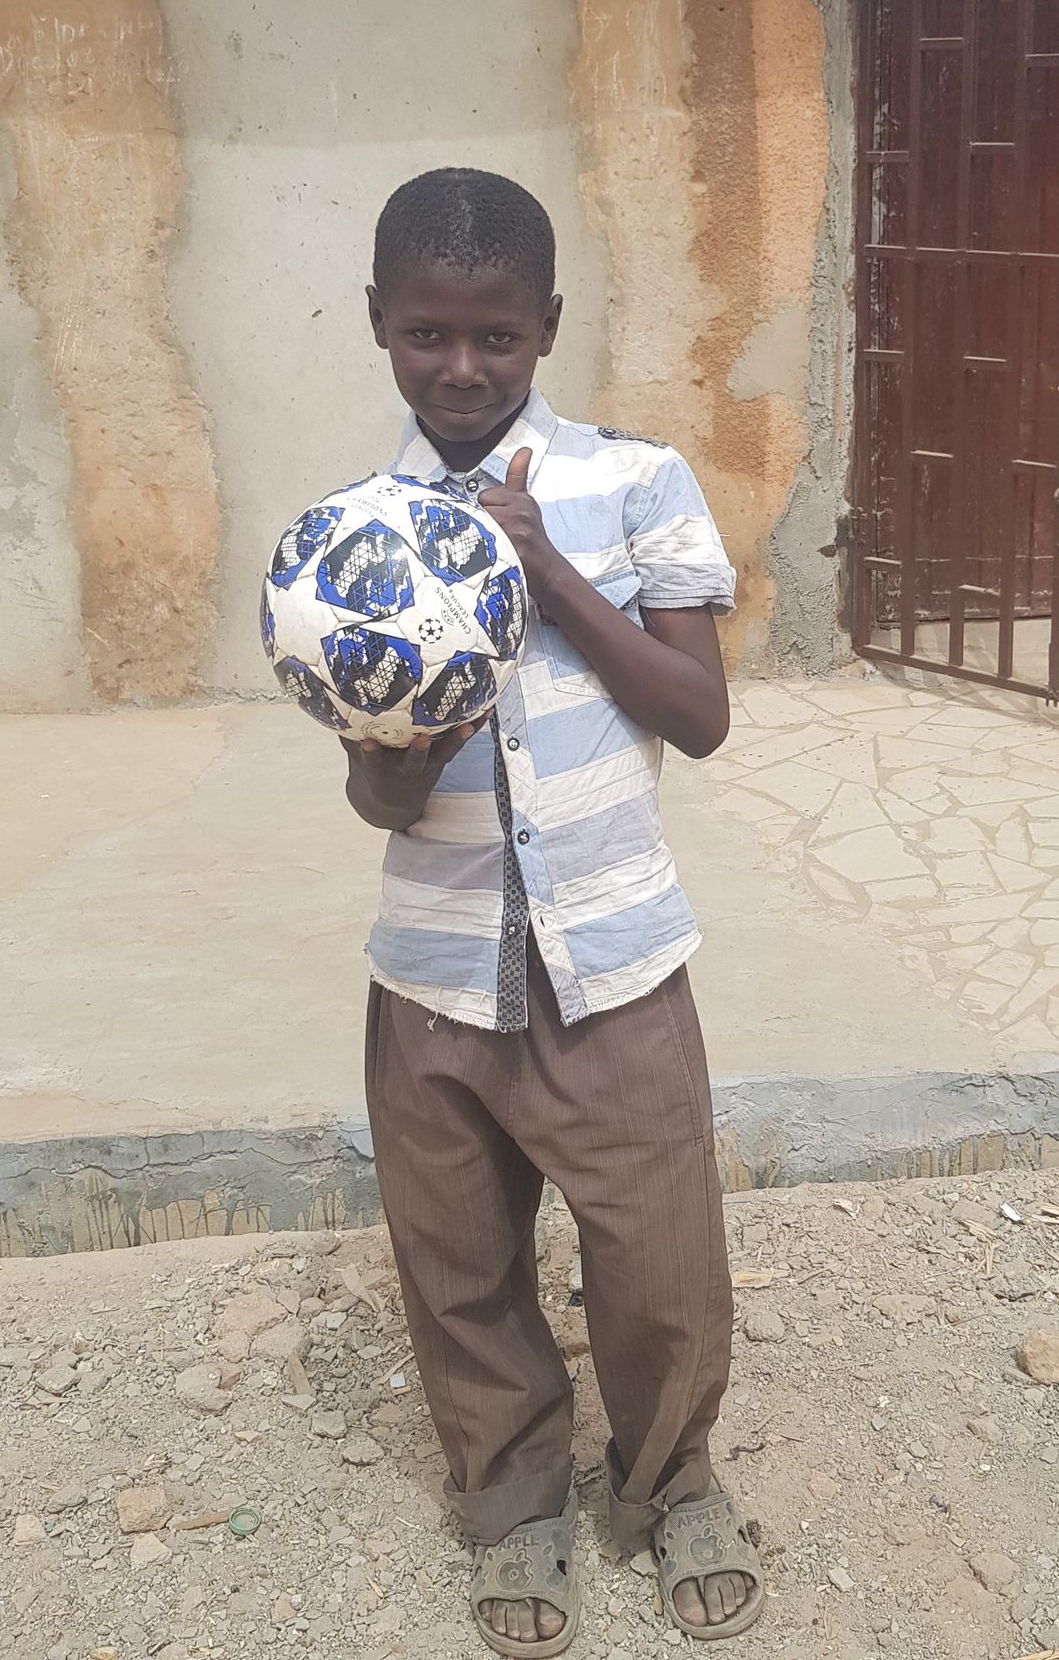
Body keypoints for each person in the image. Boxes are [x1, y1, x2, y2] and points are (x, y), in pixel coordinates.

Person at [342, 167, 764, 1654]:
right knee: (458, 1262)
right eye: (427, 335)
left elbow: (698, 714)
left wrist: (544, 568)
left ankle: (671, 1480)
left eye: (497, 337)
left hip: (615, 958)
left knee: (659, 1252)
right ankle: (515, 1500)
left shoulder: (634, 482)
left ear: (549, 327)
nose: (462, 369)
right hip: (437, 967)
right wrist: (410, 748)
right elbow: (375, 799)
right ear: (379, 323)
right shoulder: (356, 536)